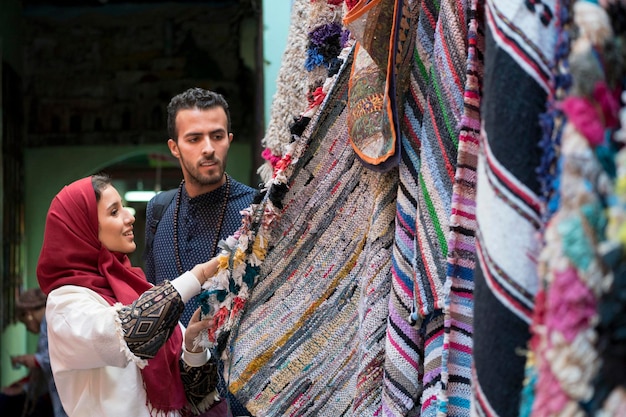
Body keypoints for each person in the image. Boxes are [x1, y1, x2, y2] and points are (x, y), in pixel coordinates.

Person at [36, 174, 221, 417]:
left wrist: (193, 349)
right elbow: (130, 334)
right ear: (83, 228)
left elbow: (194, 395)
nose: (130, 217)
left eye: (123, 207)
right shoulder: (66, 303)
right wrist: (196, 277)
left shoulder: (136, 288)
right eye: (114, 212)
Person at [143, 88, 257, 416]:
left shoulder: (258, 211)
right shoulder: (158, 211)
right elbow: (154, 300)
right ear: (174, 148)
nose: (208, 148)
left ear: (229, 139)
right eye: (194, 139)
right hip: (174, 400)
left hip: (240, 401)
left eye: (217, 136)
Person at [1, 288, 65, 417]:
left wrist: (35, 360)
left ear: (28, 314)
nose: (28, 329)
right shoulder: (49, 321)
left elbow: (61, 357)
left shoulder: (50, 321)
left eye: (25, 324)